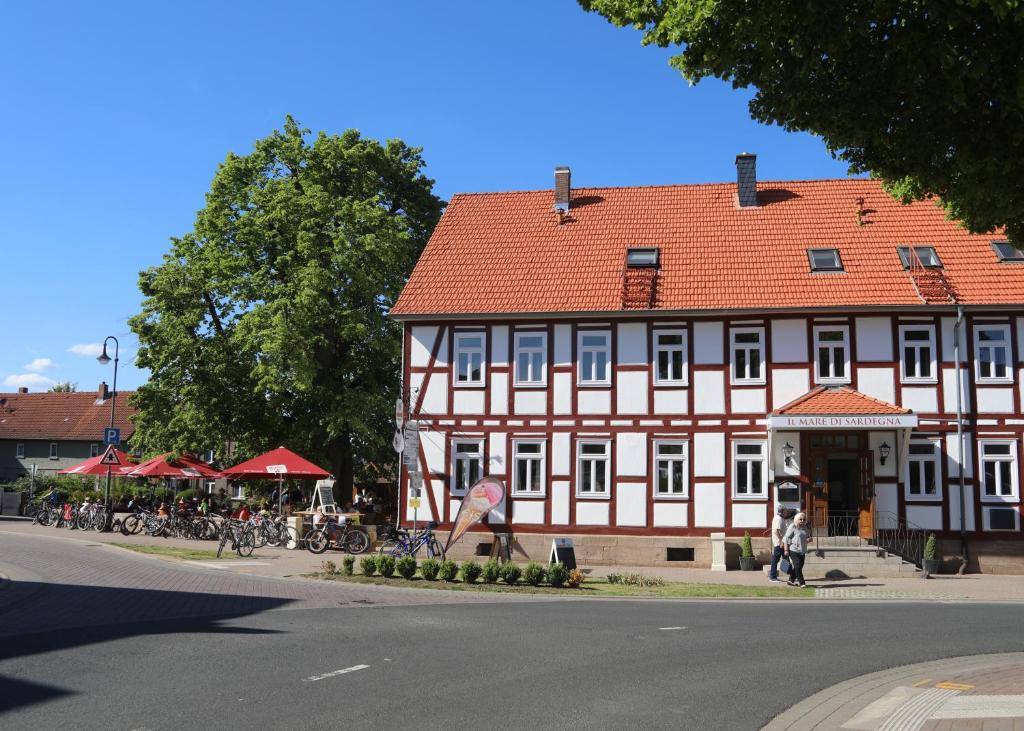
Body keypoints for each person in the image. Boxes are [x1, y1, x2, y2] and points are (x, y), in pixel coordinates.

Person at [783, 512, 810, 587]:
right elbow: (786, 538)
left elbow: (805, 538)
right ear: (796, 519)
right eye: (800, 519)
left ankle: (791, 580)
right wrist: (786, 550)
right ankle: (802, 583)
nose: (802, 520)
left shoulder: (805, 527)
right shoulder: (793, 526)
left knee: (799, 567)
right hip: (794, 550)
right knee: (798, 567)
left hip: (802, 550)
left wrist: (808, 540)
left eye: (804, 519)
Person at [768, 506, 793, 582]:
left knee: (786, 558)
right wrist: (781, 541)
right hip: (779, 543)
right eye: (785, 511)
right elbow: (777, 531)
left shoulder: (779, 517)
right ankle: (772, 577)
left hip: (781, 542)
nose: (786, 513)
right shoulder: (778, 518)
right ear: (782, 511)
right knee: (776, 559)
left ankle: (792, 575)